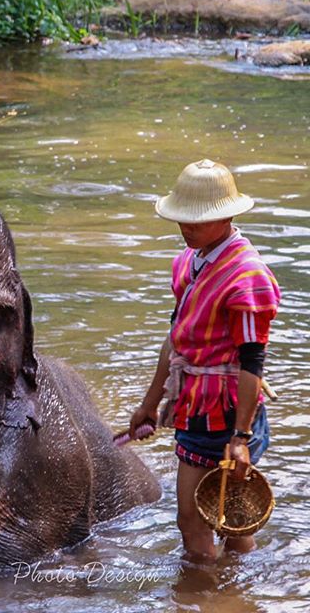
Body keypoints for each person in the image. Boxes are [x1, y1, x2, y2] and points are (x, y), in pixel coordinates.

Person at [129, 159, 280, 561]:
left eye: (197, 221)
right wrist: (150, 402)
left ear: (227, 216)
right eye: (183, 220)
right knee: (214, 513)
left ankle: (205, 595)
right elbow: (175, 338)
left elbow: (253, 361)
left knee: (205, 516)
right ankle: (231, 592)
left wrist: (240, 439)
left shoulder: (246, 277)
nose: (186, 228)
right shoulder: (188, 262)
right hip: (195, 401)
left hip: (227, 410)